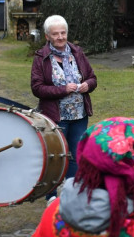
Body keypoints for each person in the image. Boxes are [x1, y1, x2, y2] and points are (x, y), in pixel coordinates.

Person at [31, 15, 98, 181]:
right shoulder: (41, 58)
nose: (60, 37)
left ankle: (71, 190)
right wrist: (63, 89)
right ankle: (52, 195)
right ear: (47, 36)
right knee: (55, 156)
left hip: (79, 115)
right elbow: (37, 88)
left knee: (76, 154)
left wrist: (87, 85)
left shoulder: (77, 52)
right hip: (56, 117)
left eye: (63, 33)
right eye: (55, 34)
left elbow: (92, 78)